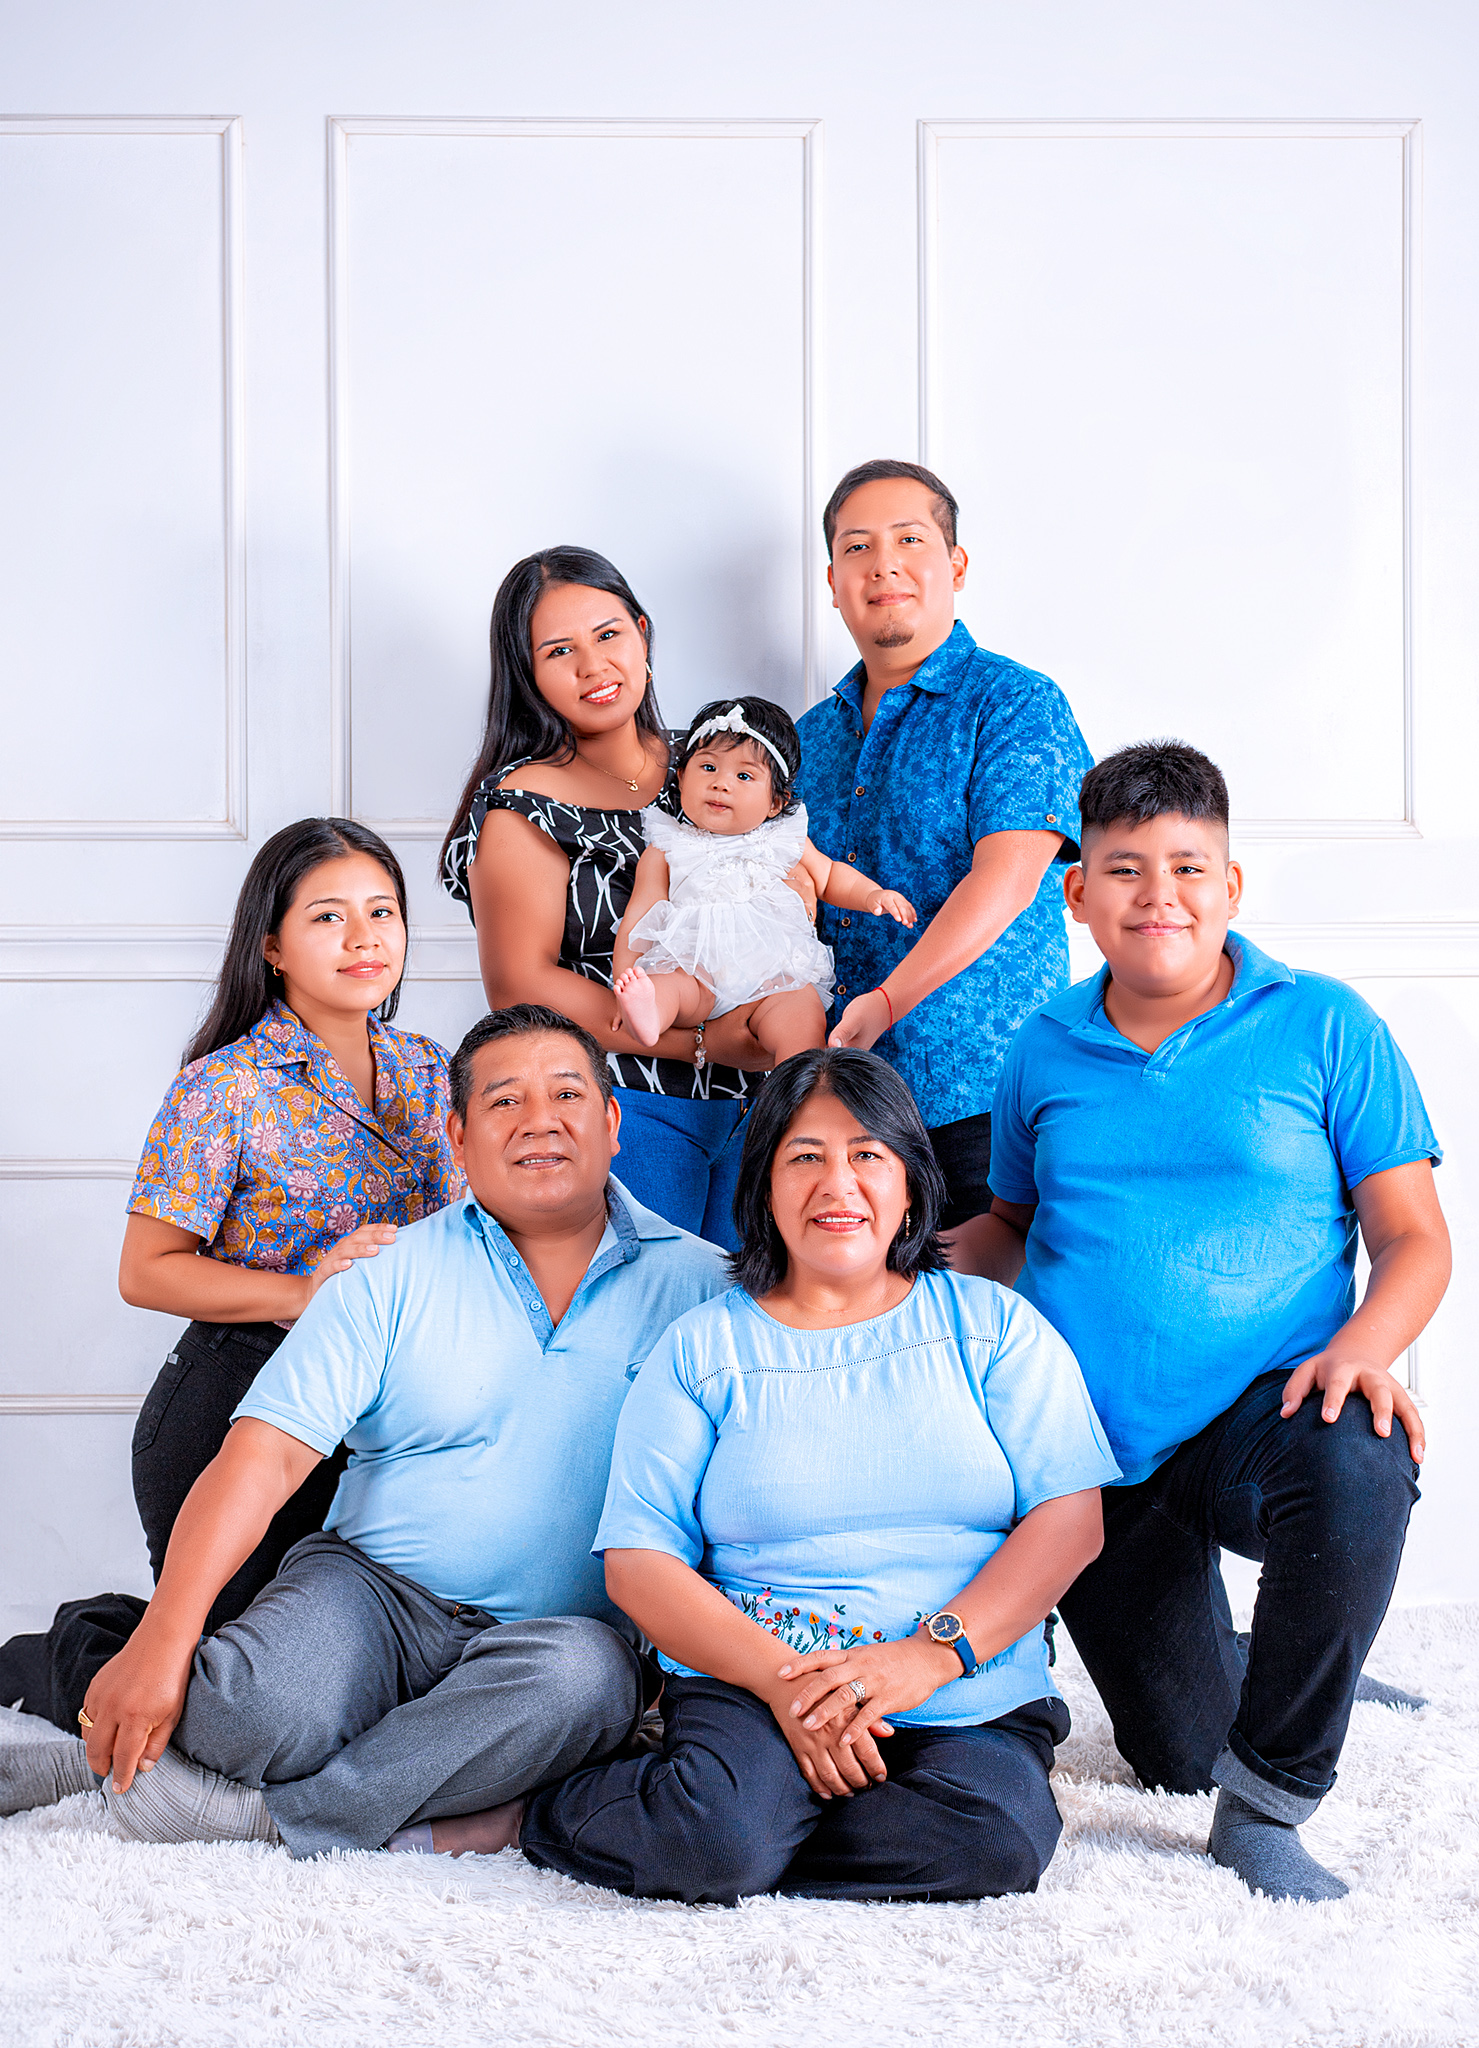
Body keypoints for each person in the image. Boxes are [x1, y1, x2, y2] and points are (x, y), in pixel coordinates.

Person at [8, 1007, 730, 1856]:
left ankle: (247, 1815)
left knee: (587, 1684)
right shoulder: (387, 1271)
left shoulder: (707, 1290)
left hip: (553, 1639)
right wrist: (164, 1637)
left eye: (566, 1094)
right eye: (504, 1101)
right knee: (244, 1719)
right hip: (372, 1596)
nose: (538, 1120)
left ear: (611, 1122)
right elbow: (264, 1457)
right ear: (457, 1137)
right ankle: (127, 1712)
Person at [969, 740, 1451, 1903]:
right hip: (1097, 1455)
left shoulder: (1324, 1023)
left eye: (1188, 866)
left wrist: (1361, 1350)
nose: (1160, 895)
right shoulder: (1042, 1046)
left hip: (1267, 1411)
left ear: (1230, 885)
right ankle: (1295, 1653)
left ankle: (1272, 1801)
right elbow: (1009, 1227)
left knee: (1363, 1445)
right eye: (1125, 869)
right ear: (1077, 893)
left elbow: (1415, 1238)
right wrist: (873, 1271)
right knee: (1179, 1753)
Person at [474, 1047, 1120, 1905]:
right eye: (804, 1156)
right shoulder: (702, 1346)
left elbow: (1069, 1522)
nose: (835, 1184)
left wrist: (927, 1656)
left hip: (959, 1681)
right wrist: (793, 1690)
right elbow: (637, 1560)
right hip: (758, 1681)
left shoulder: (994, 1326)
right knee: (713, 1843)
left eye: (866, 1154)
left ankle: (736, 1819)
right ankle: (564, 1814)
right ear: (765, 1188)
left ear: (909, 1184)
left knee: (991, 1843)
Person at [0, 817, 462, 1784]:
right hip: (234, 1406)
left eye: (382, 912)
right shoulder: (224, 1086)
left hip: (381, 1417)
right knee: (227, 1685)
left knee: (352, 1677)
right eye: (328, 917)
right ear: (272, 945)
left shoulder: (431, 1070)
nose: (364, 937)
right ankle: (61, 1657)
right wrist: (301, 1290)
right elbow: (146, 1269)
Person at [442, 548, 789, 1250]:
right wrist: (706, 1041)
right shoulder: (523, 804)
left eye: (608, 635)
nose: (593, 666)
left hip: (761, 1102)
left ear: (642, 634)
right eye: (559, 651)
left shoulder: (713, 760)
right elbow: (521, 985)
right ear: (528, 674)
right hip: (631, 1104)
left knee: (753, 1305)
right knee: (644, 1302)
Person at [794, 458, 1093, 1249]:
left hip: (986, 1103)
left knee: (995, 1317)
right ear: (832, 583)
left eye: (908, 540)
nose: (882, 564)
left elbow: (1008, 878)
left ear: (955, 565)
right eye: (857, 547)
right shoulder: (802, 741)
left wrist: (887, 1001)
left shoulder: (1015, 703)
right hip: (839, 1118)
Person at [612, 696, 915, 1062]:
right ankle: (647, 1012)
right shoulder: (667, 846)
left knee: (800, 1013)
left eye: (744, 776)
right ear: (681, 777)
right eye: (708, 767)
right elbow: (638, 918)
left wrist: (871, 895)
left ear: (776, 802)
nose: (721, 784)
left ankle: (798, 1078)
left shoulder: (783, 838)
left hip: (773, 974)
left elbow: (830, 876)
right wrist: (625, 978)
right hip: (697, 969)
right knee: (669, 986)